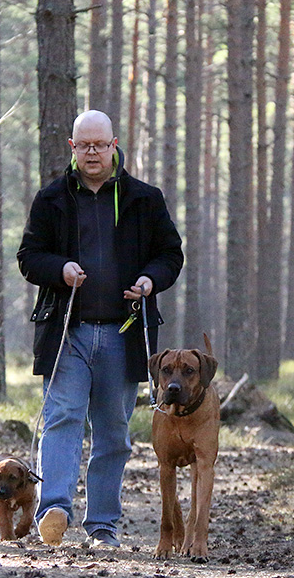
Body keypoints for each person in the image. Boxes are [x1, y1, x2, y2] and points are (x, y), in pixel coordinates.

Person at [17, 110, 183, 548]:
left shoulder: (145, 199)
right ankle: (54, 510)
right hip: (66, 332)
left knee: (112, 431)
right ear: (72, 149)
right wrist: (60, 269)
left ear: (114, 145)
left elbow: (171, 255)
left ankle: (102, 527)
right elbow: (28, 257)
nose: (92, 153)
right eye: (83, 146)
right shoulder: (51, 199)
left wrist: (150, 280)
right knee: (63, 418)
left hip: (123, 334)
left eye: (99, 145)